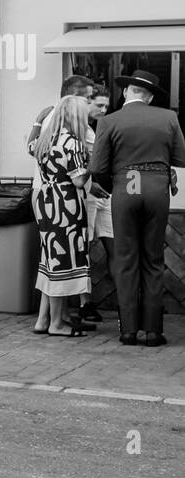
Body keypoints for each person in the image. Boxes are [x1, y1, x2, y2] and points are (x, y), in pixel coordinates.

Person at [91, 70, 185, 347]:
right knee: (153, 260)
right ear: (151, 96)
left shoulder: (109, 121)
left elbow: (97, 167)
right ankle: (153, 331)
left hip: (126, 187)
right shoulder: (168, 117)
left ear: (126, 92)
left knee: (125, 258)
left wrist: (112, 183)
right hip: (156, 188)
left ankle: (128, 330)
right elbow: (181, 157)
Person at [32, 94, 94, 337]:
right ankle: (57, 324)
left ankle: (43, 320)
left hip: (46, 203)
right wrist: (93, 164)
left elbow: (30, 145)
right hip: (66, 206)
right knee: (63, 263)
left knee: (51, 260)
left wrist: (37, 122)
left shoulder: (45, 139)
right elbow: (78, 180)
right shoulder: (73, 143)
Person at [79, 86, 115, 322]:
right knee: (84, 249)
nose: (103, 110)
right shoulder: (78, 126)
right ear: (87, 102)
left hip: (107, 192)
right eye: (99, 105)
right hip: (88, 192)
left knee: (115, 245)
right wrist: (88, 184)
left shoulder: (100, 126)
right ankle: (85, 303)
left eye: (106, 106)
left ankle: (127, 300)